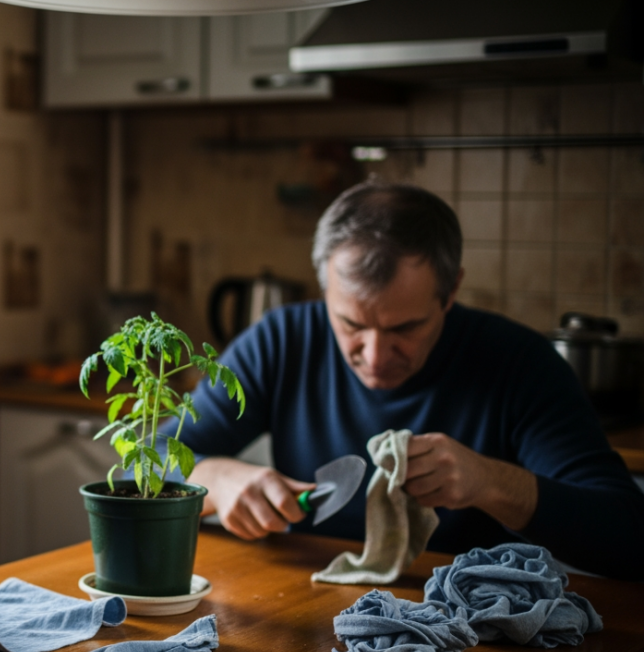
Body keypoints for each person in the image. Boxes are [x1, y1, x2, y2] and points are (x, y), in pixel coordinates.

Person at [171, 180, 644, 581]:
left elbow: (629, 537)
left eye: (405, 328)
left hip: (466, 623)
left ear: (451, 290)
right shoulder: (281, 341)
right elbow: (146, 464)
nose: (375, 356)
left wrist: (490, 482)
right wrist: (216, 479)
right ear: (325, 289)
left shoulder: (520, 364)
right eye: (351, 325)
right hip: (307, 602)